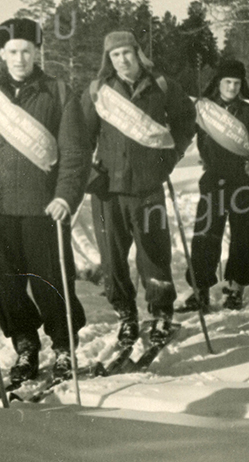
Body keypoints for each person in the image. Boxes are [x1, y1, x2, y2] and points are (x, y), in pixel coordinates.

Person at [0, 18, 90, 384]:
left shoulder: (57, 92)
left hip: (44, 206)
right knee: (6, 284)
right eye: (13, 51)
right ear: (1, 54)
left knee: (50, 281)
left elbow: (75, 151)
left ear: (37, 51)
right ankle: (25, 345)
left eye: (27, 50)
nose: (20, 58)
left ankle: (63, 346)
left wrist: (65, 196)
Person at [83, 31, 195, 347]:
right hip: (107, 191)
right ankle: (126, 316)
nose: (122, 60)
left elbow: (187, 120)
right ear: (109, 59)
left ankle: (161, 314)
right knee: (112, 258)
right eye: (115, 55)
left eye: (127, 53)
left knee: (154, 253)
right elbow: (79, 136)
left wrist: (170, 157)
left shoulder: (161, 85)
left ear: (138, 52)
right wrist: (90, 174)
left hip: (148, 187)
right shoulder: (97, 91)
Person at [181, 60, 249, 312]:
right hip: (213, 179)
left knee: (243, 236)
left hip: (242, 182)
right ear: (218, 83)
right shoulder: (204, 109)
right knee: (205, 235)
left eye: (236, 83)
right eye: (227, 82)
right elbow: (185, 136)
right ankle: (200, 290)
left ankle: (235, 288)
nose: (232, 87)